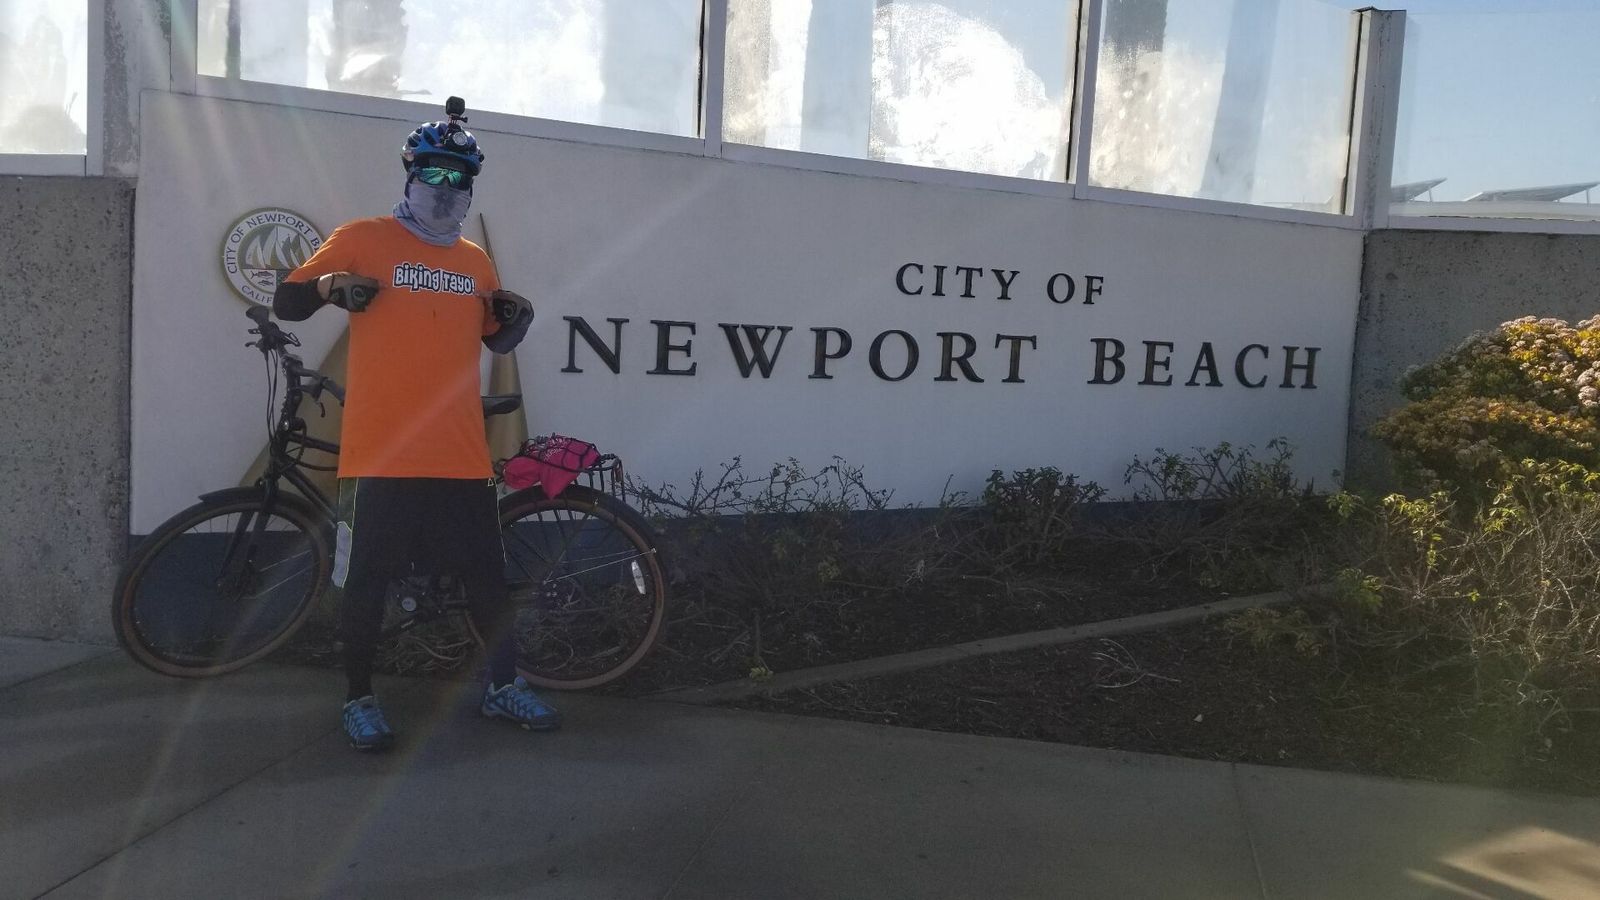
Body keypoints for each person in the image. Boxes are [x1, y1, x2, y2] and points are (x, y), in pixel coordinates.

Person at [272, 98, 558, 752]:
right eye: (432, 173)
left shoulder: (475, 262)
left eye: (459, 178)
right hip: (378, 453)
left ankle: (502, 686)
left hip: (459, 454)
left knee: (488, 580)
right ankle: (358, 698)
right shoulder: (363, 238)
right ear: (410, 174)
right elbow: (287, 300)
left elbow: (493, 339)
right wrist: (330, 287)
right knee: (365, 583)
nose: (445, 188)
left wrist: (515, 321)